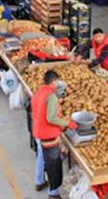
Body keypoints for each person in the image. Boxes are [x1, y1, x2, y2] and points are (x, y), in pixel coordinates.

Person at [31, 70, 77, 199]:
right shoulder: (51, 96)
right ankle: (54, 193)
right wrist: (68, 123)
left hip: (38, 131)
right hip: (48, 135)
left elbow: (36, 109)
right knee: (54, 165)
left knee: (41, 157)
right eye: (57, 81)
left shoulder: (40, 92)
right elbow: (51, 118)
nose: (58, 83)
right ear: (53, 82)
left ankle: (39, 182)